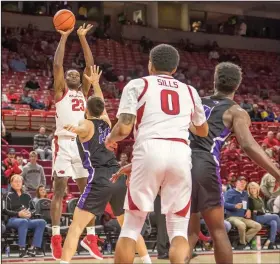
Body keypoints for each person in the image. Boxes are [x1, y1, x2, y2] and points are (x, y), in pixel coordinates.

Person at [105, 44, 208, 264]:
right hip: (180, 152)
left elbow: (124, 128)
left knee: (132, 225)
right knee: (178, 228)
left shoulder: (137, 84)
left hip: (149, 148)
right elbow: (203, 130)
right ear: (175, 68)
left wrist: (111, 138)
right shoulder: (190, 91)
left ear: (150, 64)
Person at [188, 62, 280, 264]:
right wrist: (277, 173)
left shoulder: (194, 101)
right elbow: (248, 145)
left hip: (179, 161)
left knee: (190, 231)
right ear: (237, 86)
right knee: (218, 230)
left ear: (214, 80)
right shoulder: (236, 111)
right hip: (203, 164)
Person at [60, 66, 151, 264]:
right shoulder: (106, 122)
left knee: (76, 227)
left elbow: (82, 127)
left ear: (85, 110)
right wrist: (94, 83)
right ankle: (146, 260)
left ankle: (63, 262)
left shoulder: (86, 124)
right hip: (118, 176)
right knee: (129, 226)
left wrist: (74, 127)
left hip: (100, 178)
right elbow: (99, 103)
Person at [50, 23, 95, 260]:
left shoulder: (84, 92)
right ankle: (56, 237)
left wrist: (82, 38)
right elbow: (57, 65)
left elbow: (90, 66)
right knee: (59, 190)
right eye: (70, 75)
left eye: (76, 74)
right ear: (65, 80)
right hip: (63, 142)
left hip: (81, 144)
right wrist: (65, 37)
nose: (73, 75)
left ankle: (91, 235)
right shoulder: (61, 92)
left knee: (88, 191)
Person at [5, 174, 47, 258]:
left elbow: (33, 209)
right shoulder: (7, 195)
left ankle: (33, 248)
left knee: (42, 222)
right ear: (11, 183)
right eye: (16, 181)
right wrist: (18, 214)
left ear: (22, 183)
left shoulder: (27, 195)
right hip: (12, 219)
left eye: (19, 181)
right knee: (23, 221)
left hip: (27, 219)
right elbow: (5, 210)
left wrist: (30, 213)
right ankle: (22, 249)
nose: (18, 183)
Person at [224, 177, 262, 250]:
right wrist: (234, 206)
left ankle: (241, 241)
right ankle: (242, 243)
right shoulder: (229, 192)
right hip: (231, 217)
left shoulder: (245, 193)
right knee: (242, 225)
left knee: (257, 226)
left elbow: (246, 205)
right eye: (241, 182)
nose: (243, 184)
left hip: (242, 217)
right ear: (236, 183)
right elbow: (224, 204)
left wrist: (248, 210)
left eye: (244, 183)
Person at [247, 182, 280, 249]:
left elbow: (262, 209)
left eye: (254, 188)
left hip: (262, 216)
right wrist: (256, 211)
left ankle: (271, 242)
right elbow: (251, 210)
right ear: (249, 190)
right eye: (251, 189)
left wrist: (265, 212)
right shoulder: (249, 198)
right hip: (255, 217)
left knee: (274, 222)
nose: (253, 190)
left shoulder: (259, 198)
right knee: (276, 216)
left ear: (257, 189)